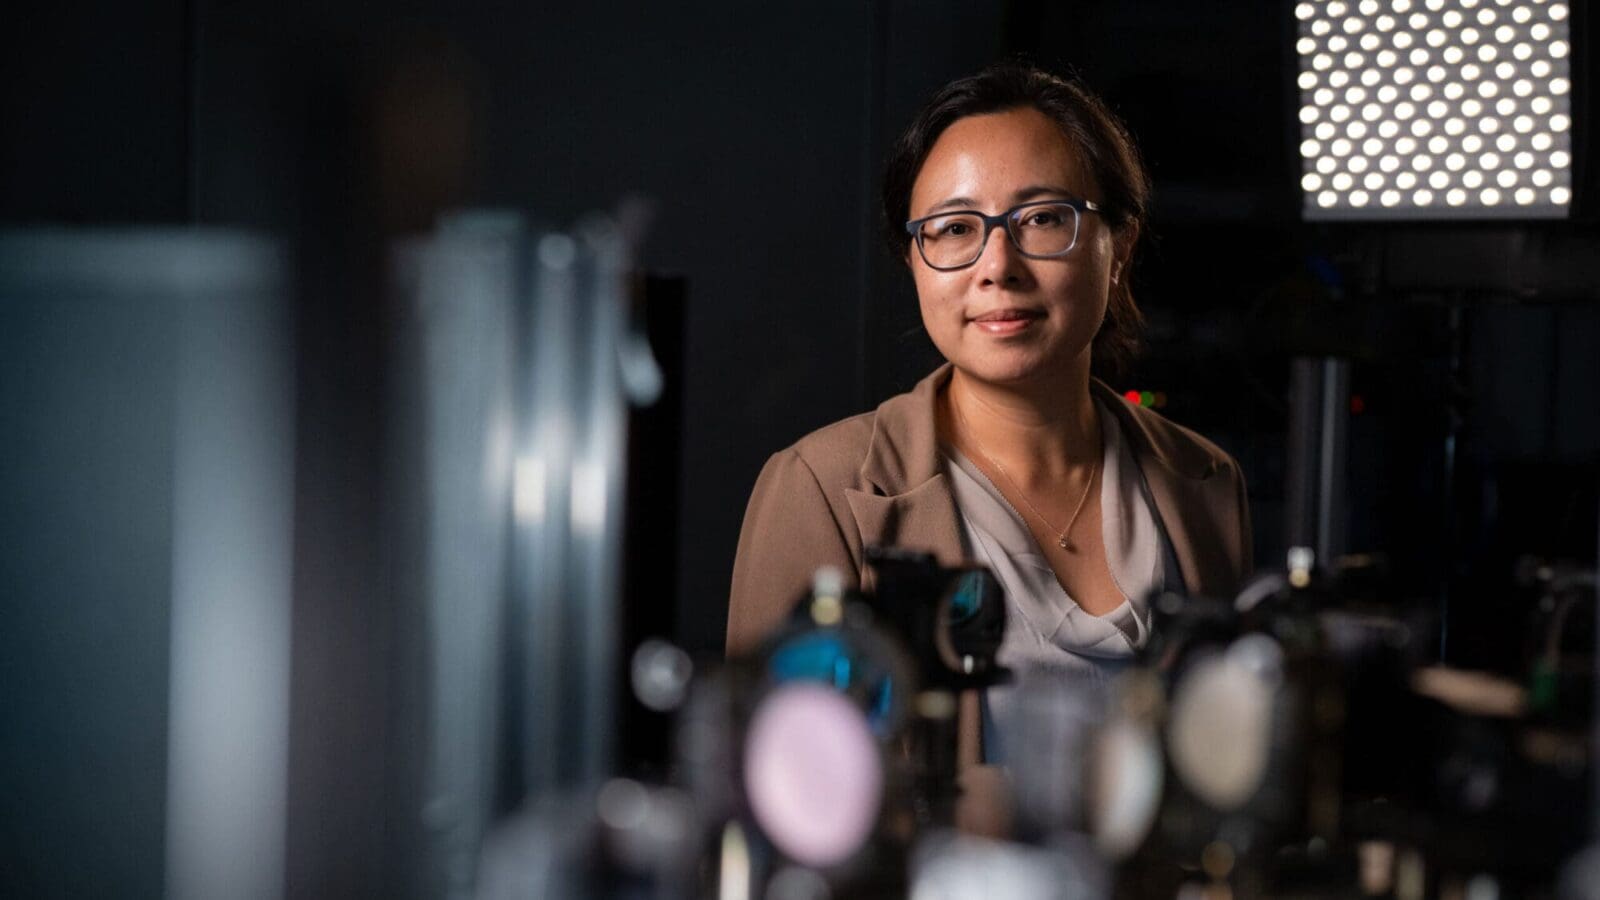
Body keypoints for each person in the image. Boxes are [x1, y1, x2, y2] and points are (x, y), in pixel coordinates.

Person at [726, 63, 1252, 770]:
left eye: (1040, 218)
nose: (997, 266)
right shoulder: (820, 491)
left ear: (1119, 246)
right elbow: (775, 787)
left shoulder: (1206, 481)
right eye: (953, 229)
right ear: (915, 261)